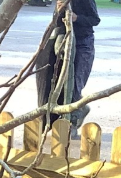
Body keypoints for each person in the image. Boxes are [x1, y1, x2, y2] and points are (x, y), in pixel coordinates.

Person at [36, 0, 101, 128]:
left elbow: (95, 20)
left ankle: (73, 121)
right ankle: (70, 113)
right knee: (61, 83)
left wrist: (77, 18)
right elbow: (56, 22)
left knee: (75, 84)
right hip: (65, 41)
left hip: (83, 43)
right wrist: (59, 10)